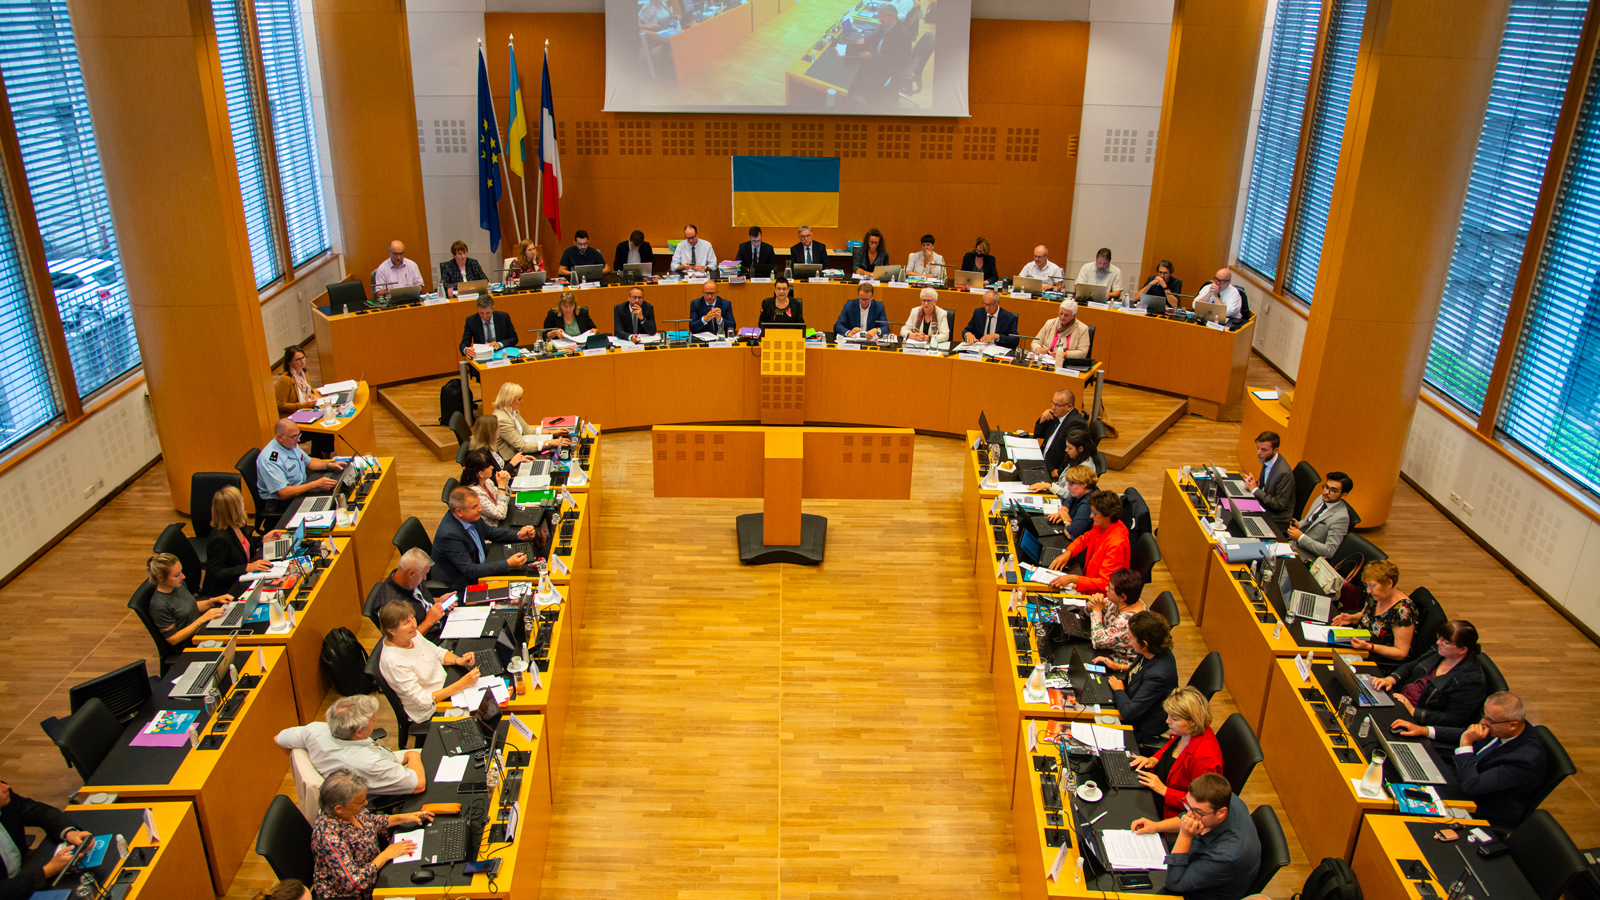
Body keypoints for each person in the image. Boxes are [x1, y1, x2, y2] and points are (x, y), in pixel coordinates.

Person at [1392, 692, 1547, 829]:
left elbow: (1472, 786)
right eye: (1484, 716)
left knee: (1398, 805)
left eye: (1490, 720)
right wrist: (1424, 730)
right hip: (1461, 777)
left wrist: (1466, 744)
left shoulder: (1525, 759)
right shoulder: (1502, 728)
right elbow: (1466, 733)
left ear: (1513, 725)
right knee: (1397, 774)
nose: (1484, 723)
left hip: (1477, 806)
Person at [1131, 773, 1261, 900]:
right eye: (1188, 806)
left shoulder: (1229, 855)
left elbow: (1174, 883)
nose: (1189, 815)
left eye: (1198, 812)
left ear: (1221, 813)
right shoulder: (1221, 797)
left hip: (1198, 893)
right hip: (1196, 862)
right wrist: (1157, 826)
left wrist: (1185, 835)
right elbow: (1188, 819)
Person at [310, 770, 432, 900]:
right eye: (360, 802)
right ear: (339, 808)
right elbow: (355, 882)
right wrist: (385, 855)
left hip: (375, 867)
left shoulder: (349, 810)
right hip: (352, 895)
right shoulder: (329, 837)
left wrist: (402, 818)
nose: (365, 804)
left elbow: (371, 821)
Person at [275, 695, 426, 796]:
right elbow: (418, 784)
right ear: (358, 732)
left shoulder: (314, 731)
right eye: (371, 719)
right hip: (382, 784)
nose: (375, 717)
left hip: (380, 766)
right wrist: (412, 755)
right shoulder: (369, 763)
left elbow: (279, 739)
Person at [375, 600, 481, 726]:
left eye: (412, 618)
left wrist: (458, 660)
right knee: (482, 714)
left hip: (446, 685)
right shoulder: (394, 662)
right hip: (431, 710)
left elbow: (437, 652)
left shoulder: (410, 635)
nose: (413, 625)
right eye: (406, 623)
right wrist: (462, 684)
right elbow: (424, 701)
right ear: (392, 631)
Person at [1130, 687, 1225, 819]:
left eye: (1174, 718)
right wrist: (1153, 759)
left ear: (1192, 721)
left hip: (1173, 813)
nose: (1167, 721)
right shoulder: (1184, 732)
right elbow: (1170, 747)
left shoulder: (1204, 758)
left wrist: (1164, 790)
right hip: (1158, 789)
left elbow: (1200, 805)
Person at [1374, 620, 1488, 728]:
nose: (1439, 642)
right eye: (1440, 638)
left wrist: (1414, 712)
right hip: (1397, 699)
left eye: (1445, 642)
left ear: (1463, 649)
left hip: (1416, 721)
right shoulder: (1439, 650)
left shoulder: (1471, 681)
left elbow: (1454, 719)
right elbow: (1412, 665)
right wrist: (1391, 679)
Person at [431, 488, 544, 595]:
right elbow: (470, 570)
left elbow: (488, 531)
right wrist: (507, 564)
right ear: (459, 512)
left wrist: (518, 535)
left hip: (481, 565)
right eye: (475, 507)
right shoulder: (449, 535)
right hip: (461, 586)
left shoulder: (470, 516)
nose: (480, 509)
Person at [0, 780, 91, 898]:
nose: (6, 786)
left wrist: (69, 832)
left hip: (26, 866)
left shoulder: (5, 798)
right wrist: (47, 871)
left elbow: (40, 812)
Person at [1109, 610, 1180, 745]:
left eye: (1130, 638)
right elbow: (1137, 672)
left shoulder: (1159, 675)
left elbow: (1129, 713)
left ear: (1144, 644)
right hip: (1132, 701)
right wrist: (1119, 667)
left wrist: (1118, 690)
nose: (1128, 640)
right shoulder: (1151, 650)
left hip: (1141, 727)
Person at [204, 485, 286, 598]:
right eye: (241, 501)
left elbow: (242, 545)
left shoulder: (237, 523)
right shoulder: (219, 539)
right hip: (230, 589)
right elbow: (216, 573)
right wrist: (247, 567)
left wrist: (263, 539)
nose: (243, 503)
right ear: (234, 509)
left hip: (246, 576)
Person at [1331, 560, 1416, 664]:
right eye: (1367, 586)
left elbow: (1401, 652)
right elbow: (1365, 615)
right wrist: (1352, 618)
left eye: (1372, 586)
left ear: (1389, 583)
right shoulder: (1376, 595)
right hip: (1358, 646)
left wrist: (1370, 647)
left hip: (1377, 660)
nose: (1368, 591)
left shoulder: (1404, 610)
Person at [1047, 490, 1128, 591]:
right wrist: (1068, 552)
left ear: (1108, 516)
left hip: (1099, 595)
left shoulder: (1116, 545)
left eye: (1095, 513)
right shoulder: (1103, 525)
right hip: (1087, 578)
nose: (1091, 516)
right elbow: (1084, 539)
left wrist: (1073, 579)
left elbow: (1105, 583)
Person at [147, 552, 229, 646]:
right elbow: (173, 639)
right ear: (160, 578)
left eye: (181, 572)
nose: (183, 576)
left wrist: (212, 602)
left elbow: (189, 607)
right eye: (176, 575)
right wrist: (202, 619)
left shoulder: (178, 584)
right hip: (190, 642)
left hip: (201, 628)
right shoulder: (159, 606)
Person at [371, 548, 453, 640]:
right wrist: (429, 621)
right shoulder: (390, 606)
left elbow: (420, 601)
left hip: (441, 622)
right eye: (423, 574)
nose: (425, 578)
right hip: (430, 641)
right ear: (411, 574)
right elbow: (404, 641)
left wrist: (438, 600)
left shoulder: (410, 581)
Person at [257, 418, 346, 501]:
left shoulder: (289, 444)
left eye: (299, 435)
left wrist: (330, 465)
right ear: (280, 437)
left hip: (301, 489)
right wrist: (316, 484)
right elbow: (284, 493)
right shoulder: (270, 460)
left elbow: (309, 462)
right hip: (284, 502)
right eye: (294, 436)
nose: (298, 439)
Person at [847, 4, 913, 109]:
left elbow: (895, 60)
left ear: (892, 16)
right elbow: (876, 36)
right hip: (877, 57)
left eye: (882, 17)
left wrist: (871, 57)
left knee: (851, 75)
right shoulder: (887, 25)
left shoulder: (902, 35)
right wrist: (865, 39)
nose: (880, 20)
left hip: (885, 68)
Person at [1084, 567, 1149, 669]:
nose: (1106, 589)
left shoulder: (1128, 622)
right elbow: (1091, 609)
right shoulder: (1123, 600)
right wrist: (1093, 603)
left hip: (1114, 661)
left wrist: (1096, 611)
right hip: (1105, 641)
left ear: (1122, 597)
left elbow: (1097, 642)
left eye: (1110, 588)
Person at [491, 382, 571, 461]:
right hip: (511, 460)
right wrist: (550, 443)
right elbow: (522, 446)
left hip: (521, 453)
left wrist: (552, 432)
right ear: (510, 400)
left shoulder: (512, 410)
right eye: (519, 399)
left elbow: (527, 429)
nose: (522, 401)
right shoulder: (502, 420)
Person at [1288, 472, 1353, 562]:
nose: (1326, 492)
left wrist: (1301, 537)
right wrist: (1299, 524)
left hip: (1305, 557)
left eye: (1333, 490)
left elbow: (1329, 551)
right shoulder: (1321, 498)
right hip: (1292, 544)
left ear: (1343, 495)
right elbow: (1310, 520)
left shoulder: (1341, 518)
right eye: (1326, 487)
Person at [1242, 431, 1294, 531]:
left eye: (1264, 449)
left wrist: (1256, 490)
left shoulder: (1283, 473)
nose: (1259, 453)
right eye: (1258, 448)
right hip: (1265, 506)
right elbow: (1268, 486)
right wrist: (1255, 483)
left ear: (1276, 450)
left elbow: (1279, 504)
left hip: (1277, 519)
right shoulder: (1269, 459)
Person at [1032, 388, 1087, 477]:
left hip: (1052, 468)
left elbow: (1073, 451)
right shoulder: (1058, 415)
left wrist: (1060, 471)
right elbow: (1039, 434)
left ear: (1069, 406)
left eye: (1057, 405)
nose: (1053, 407)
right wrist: (1043, 419)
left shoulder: (1075, 423)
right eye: (1053, 403)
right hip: (1042, 459)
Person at [1035, 464, 1097, 542]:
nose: (1068, 488)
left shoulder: (1086, 505)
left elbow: (1071, 534)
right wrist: (1062, 513)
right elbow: (1068, 502)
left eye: (1071, 484)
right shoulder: (1083, 491)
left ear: (1083, 485)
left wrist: (1066, 520)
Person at [1032, 298, 1091, 363]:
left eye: (1066, 315)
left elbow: (1083, 353)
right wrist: (1038, 349)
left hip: (1068, 366)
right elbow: (1035, 342)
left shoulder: (1083, 329)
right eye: (1061, 313)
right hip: (1047, 362)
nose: (1062, 317)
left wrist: (1063, 354)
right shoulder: (1050, 323)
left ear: (1073, 316)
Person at [462, 447, 510, 526]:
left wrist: (504, 482)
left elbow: (503, 498)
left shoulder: (487, 481)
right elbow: (500, 514)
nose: (492, 467)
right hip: (494, 528)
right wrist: (501, 486)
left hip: (501, 520)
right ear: (480, 473)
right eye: (489, 466)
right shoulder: (475, 494)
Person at [273, 345, 318, 415]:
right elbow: (280, 405)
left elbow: (307, 389)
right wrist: (301, 405)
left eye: (303, 358)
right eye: (298, 359)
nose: (303, 361)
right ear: (289, 362)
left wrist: (312, 395)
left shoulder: (303, 372)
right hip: (293, 414)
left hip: (307, 408)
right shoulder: (285, 379)